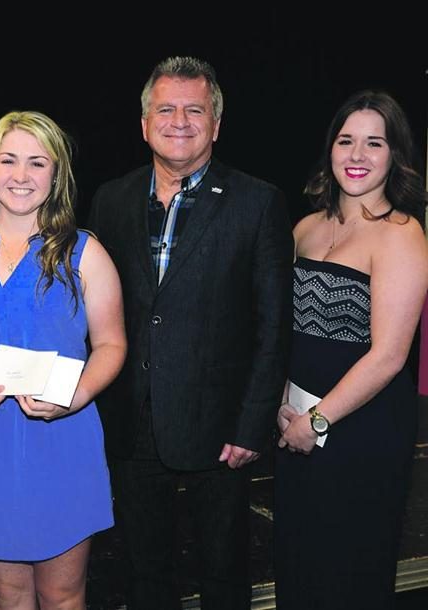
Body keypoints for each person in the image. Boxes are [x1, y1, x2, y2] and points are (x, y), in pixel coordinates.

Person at [87, 56, 293, 610]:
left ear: (217, 124)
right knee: (143, 573)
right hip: (132, 424)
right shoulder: (111, 200)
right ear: (144, 123)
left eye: (194, 109)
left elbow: (274, 326)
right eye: (166, 109)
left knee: (224, 575)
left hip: (220, 430)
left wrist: (252, 424)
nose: (180, 120)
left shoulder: (259, 202)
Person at [0, 110, 126, 609]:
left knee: (63, 596)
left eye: (37, 163)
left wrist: (73, 396)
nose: (21, 176)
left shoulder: (85, 254)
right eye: (9, 160)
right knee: (9, 595)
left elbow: (112, 345)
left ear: (56, 174)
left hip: (62, 441)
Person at [275, 91, 428, 610]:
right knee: (299, 567)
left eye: (374, 142)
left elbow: (389, 356)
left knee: (348, 575)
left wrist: (316, 421)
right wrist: (282, 404)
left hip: (362, 434)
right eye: (346, 140)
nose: (357, 155)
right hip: (295, 425)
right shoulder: (304, 229)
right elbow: (282, 333)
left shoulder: (403, 236)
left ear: (394, 156)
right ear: (330, 150)